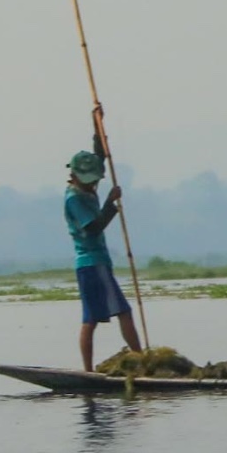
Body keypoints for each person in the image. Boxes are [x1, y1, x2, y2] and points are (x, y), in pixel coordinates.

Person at [64, 110, 143, 370]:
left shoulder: (86, 188)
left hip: (98, 263)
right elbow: (95, 228)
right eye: (88, 181)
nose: (92, 185)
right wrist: (110, 203)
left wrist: (96, 122)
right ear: (74, 176)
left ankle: (137, 359)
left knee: (99, 317)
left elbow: (100, 154)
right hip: (91, 264)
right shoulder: (74, 198)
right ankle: (135, 360)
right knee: (107, 315)